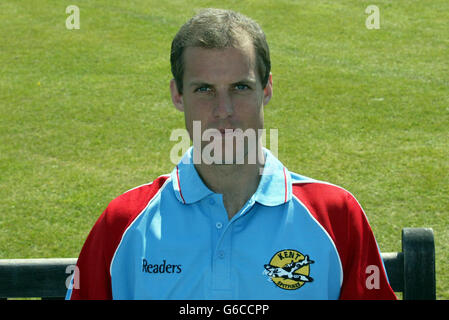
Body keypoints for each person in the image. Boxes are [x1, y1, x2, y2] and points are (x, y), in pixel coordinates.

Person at [66, 8, 396, 300]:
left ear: (266, 90)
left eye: (240, 87)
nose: (223, 110)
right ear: (178, 96)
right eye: (204, 90)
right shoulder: (123, 223)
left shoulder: (335, 216)